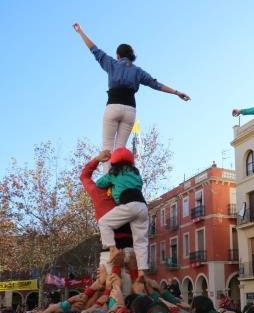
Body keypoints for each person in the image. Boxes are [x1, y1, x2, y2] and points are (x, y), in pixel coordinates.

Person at [73, 23, 190, 171]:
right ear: (131, 57)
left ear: (118, 55)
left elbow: (94, 49)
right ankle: (119, 183)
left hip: (113, 106)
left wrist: (81, 32)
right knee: (120, 149)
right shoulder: (138, 71)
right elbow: (156, 84)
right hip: (130, 110)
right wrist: (176, 92)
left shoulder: (112, 64)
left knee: (107, 148)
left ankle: (109, 185)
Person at [80, 150, 136, 290]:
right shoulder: (128, 190)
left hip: (109, 251)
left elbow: (84, 176)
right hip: (129, 248)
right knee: (131, 295)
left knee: (110, 292)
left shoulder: (96, 191)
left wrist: (97, 159)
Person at [96, 147, 149, 275]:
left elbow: (99, 183)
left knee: (104, 223)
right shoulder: (136, 174)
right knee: (140, 240)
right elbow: (140, 185)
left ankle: (112, 248)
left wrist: (112, 184)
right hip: (142, 206)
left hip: (128, 204)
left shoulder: (114, 173)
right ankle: (142, 270)